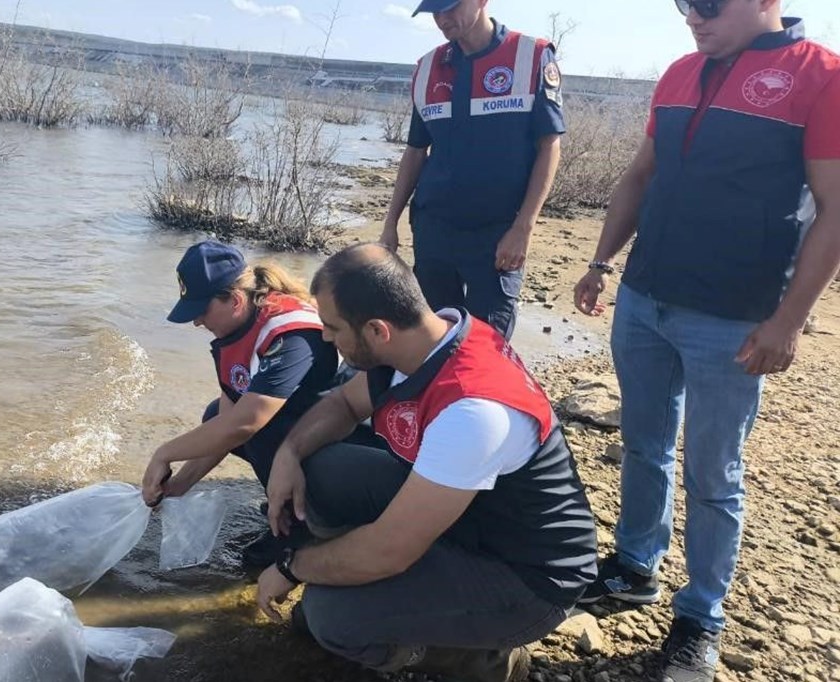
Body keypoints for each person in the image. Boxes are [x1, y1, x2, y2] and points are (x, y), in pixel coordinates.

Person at [572, 2, 840, 681]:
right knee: (642, 443)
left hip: (733, 317)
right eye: (682, 3)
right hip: (644, 298)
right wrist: (603, 262)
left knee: (713, 472)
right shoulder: (680, 71)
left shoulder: (821, 74)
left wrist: (789, 320)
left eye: (709, 3)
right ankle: (635, 566)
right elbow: (640, 175)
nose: (693, 15)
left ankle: (701, 618)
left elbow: (835, 207)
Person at [255, 244, 597, 682]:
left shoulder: (472, 411)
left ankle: (481, 659)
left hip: (526, 578)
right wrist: (288, 454)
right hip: (468, 515)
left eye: (332, 327)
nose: (325, 337)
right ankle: (393, 600)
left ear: (378, 330)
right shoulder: (429, 339)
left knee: (329, 616)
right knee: (321, 472)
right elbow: (342, 402)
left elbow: (389, 552)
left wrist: (291, 567)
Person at [141, 241, 344, 567]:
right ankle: (285, 509)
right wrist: (179, 485)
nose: (196, 323)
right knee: (215, 418)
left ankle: (302, 534)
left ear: (234, 300)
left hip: (344, 437)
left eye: (201, 311)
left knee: (258, 429)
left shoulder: (290, 335)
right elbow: (225, 419)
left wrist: (164, 452)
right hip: (299, 428)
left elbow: (246, 422)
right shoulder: (242, 325)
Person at [380, 0, 564, 340]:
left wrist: (523, 228)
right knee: (431, 338)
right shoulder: (427, 68)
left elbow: (549, 146)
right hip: (434, 229)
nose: (442, 19)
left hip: (496, 233)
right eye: (434, 11)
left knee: (486, 342)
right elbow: (416, 151)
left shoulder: (531, 56)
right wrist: (390, 223)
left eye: (450, 8)